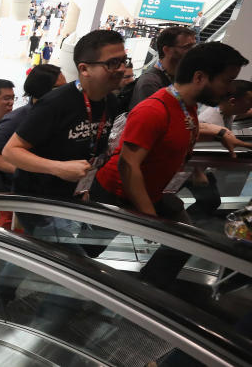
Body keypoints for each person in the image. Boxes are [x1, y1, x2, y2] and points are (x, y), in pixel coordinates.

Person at [91, 43, 250, 290]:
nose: (229, 89)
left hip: (149, 193)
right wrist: (149, 219)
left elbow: (177, 134)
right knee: (87, 250)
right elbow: (128, 165)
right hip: (116, 195)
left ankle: (149, 291)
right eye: (226, 81)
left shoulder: (186, 107)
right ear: (199, 77)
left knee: (186, 239)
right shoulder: (154, 109)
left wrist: (220, 133)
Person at [3, 30, 125, 246]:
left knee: (41, 254)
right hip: (38, 201)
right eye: (112, 63)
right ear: (84, 69)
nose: (122, 69)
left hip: (71, 196)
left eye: (124, 61)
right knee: (69, 259)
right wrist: (57, 168)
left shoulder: (110, 103)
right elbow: (10, 151)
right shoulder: (56, 103)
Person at [0, 65, 65, 228]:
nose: (67, 93)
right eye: (59, 88)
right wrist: (26, 170)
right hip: (15, 198)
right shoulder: (18, 118)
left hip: (40, 197)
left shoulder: (53, 116)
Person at [131, 26, 195, 109]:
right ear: (167, 50)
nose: (193, 51)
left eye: (193, 46)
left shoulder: (181, 77)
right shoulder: (150, 83)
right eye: (187, 47)